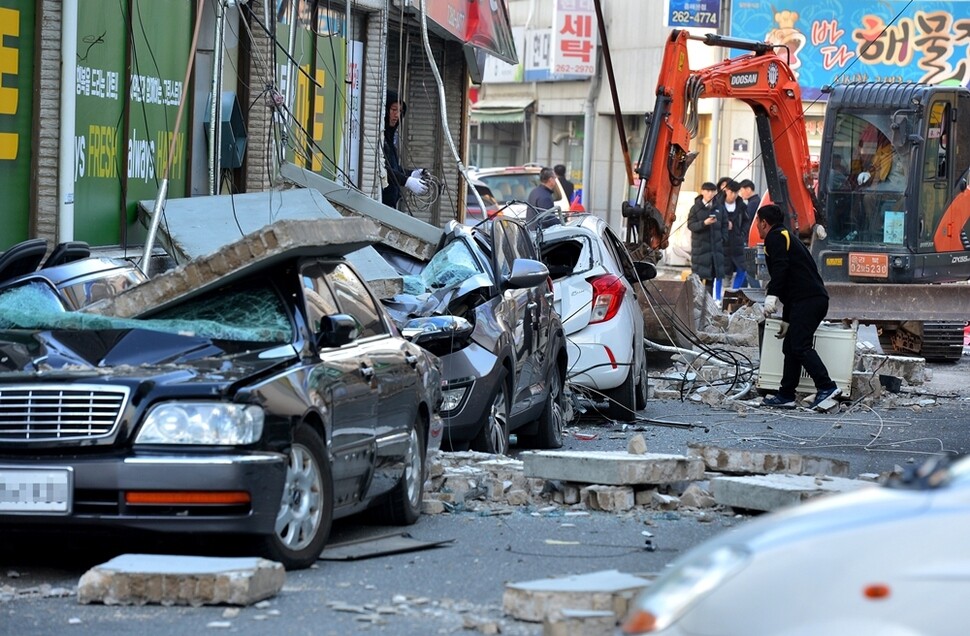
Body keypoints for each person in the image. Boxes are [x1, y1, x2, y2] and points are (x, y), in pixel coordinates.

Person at [757, 203, 841, 410]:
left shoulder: (776, 237)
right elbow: (791, 283)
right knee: (791, 347)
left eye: (758, 223)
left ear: (764, 223)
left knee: (800, 345)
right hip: (806, 300)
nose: (757, 227)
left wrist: (771, 296)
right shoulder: (785, 236)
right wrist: (786, 318)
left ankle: (827, 387)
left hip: (809, 300)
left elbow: (781, 270)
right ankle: (786, 394)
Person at [381, 91, 427, 209]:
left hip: (390, 205)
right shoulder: (378, 137)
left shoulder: (389, 137)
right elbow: (382, 169)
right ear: (384, 110)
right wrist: (407, 181)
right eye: (393, 110)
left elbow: (393, 167)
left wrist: (412, 173)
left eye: (400, 111)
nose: (396, 115)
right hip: (379, 203)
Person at [687, 182, 727, 296]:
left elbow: (725, 225)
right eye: (707, 191)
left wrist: (723, 239)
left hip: (715, 251)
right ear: (702, 191)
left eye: (712, 191)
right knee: (697, 280)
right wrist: (704, 223)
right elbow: (691, 225)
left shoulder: (719, 208)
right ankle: (697, 305)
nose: (710, 194)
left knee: (711, 280)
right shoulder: (695, 208)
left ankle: (709, 305)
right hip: (700, 250)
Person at [718, 180, 749, 288]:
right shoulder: (718, 205)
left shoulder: (741, 206)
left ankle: (735, 291)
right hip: (722, 243)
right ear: (726, 191)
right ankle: (719, 298)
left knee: (742, 269)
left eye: (736, 193)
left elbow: (746, 221)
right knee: (723, 273)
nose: (734, 195)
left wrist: (742, 233)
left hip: (737, 243)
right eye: (732, 192)